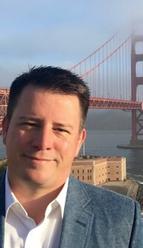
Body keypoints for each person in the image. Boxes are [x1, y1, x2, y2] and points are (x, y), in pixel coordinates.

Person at [0, 66, 142, 248]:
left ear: (79, 142)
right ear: (5, 129)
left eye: (60, 129)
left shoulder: (124, 220)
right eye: (30, 124)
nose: (44, 142)